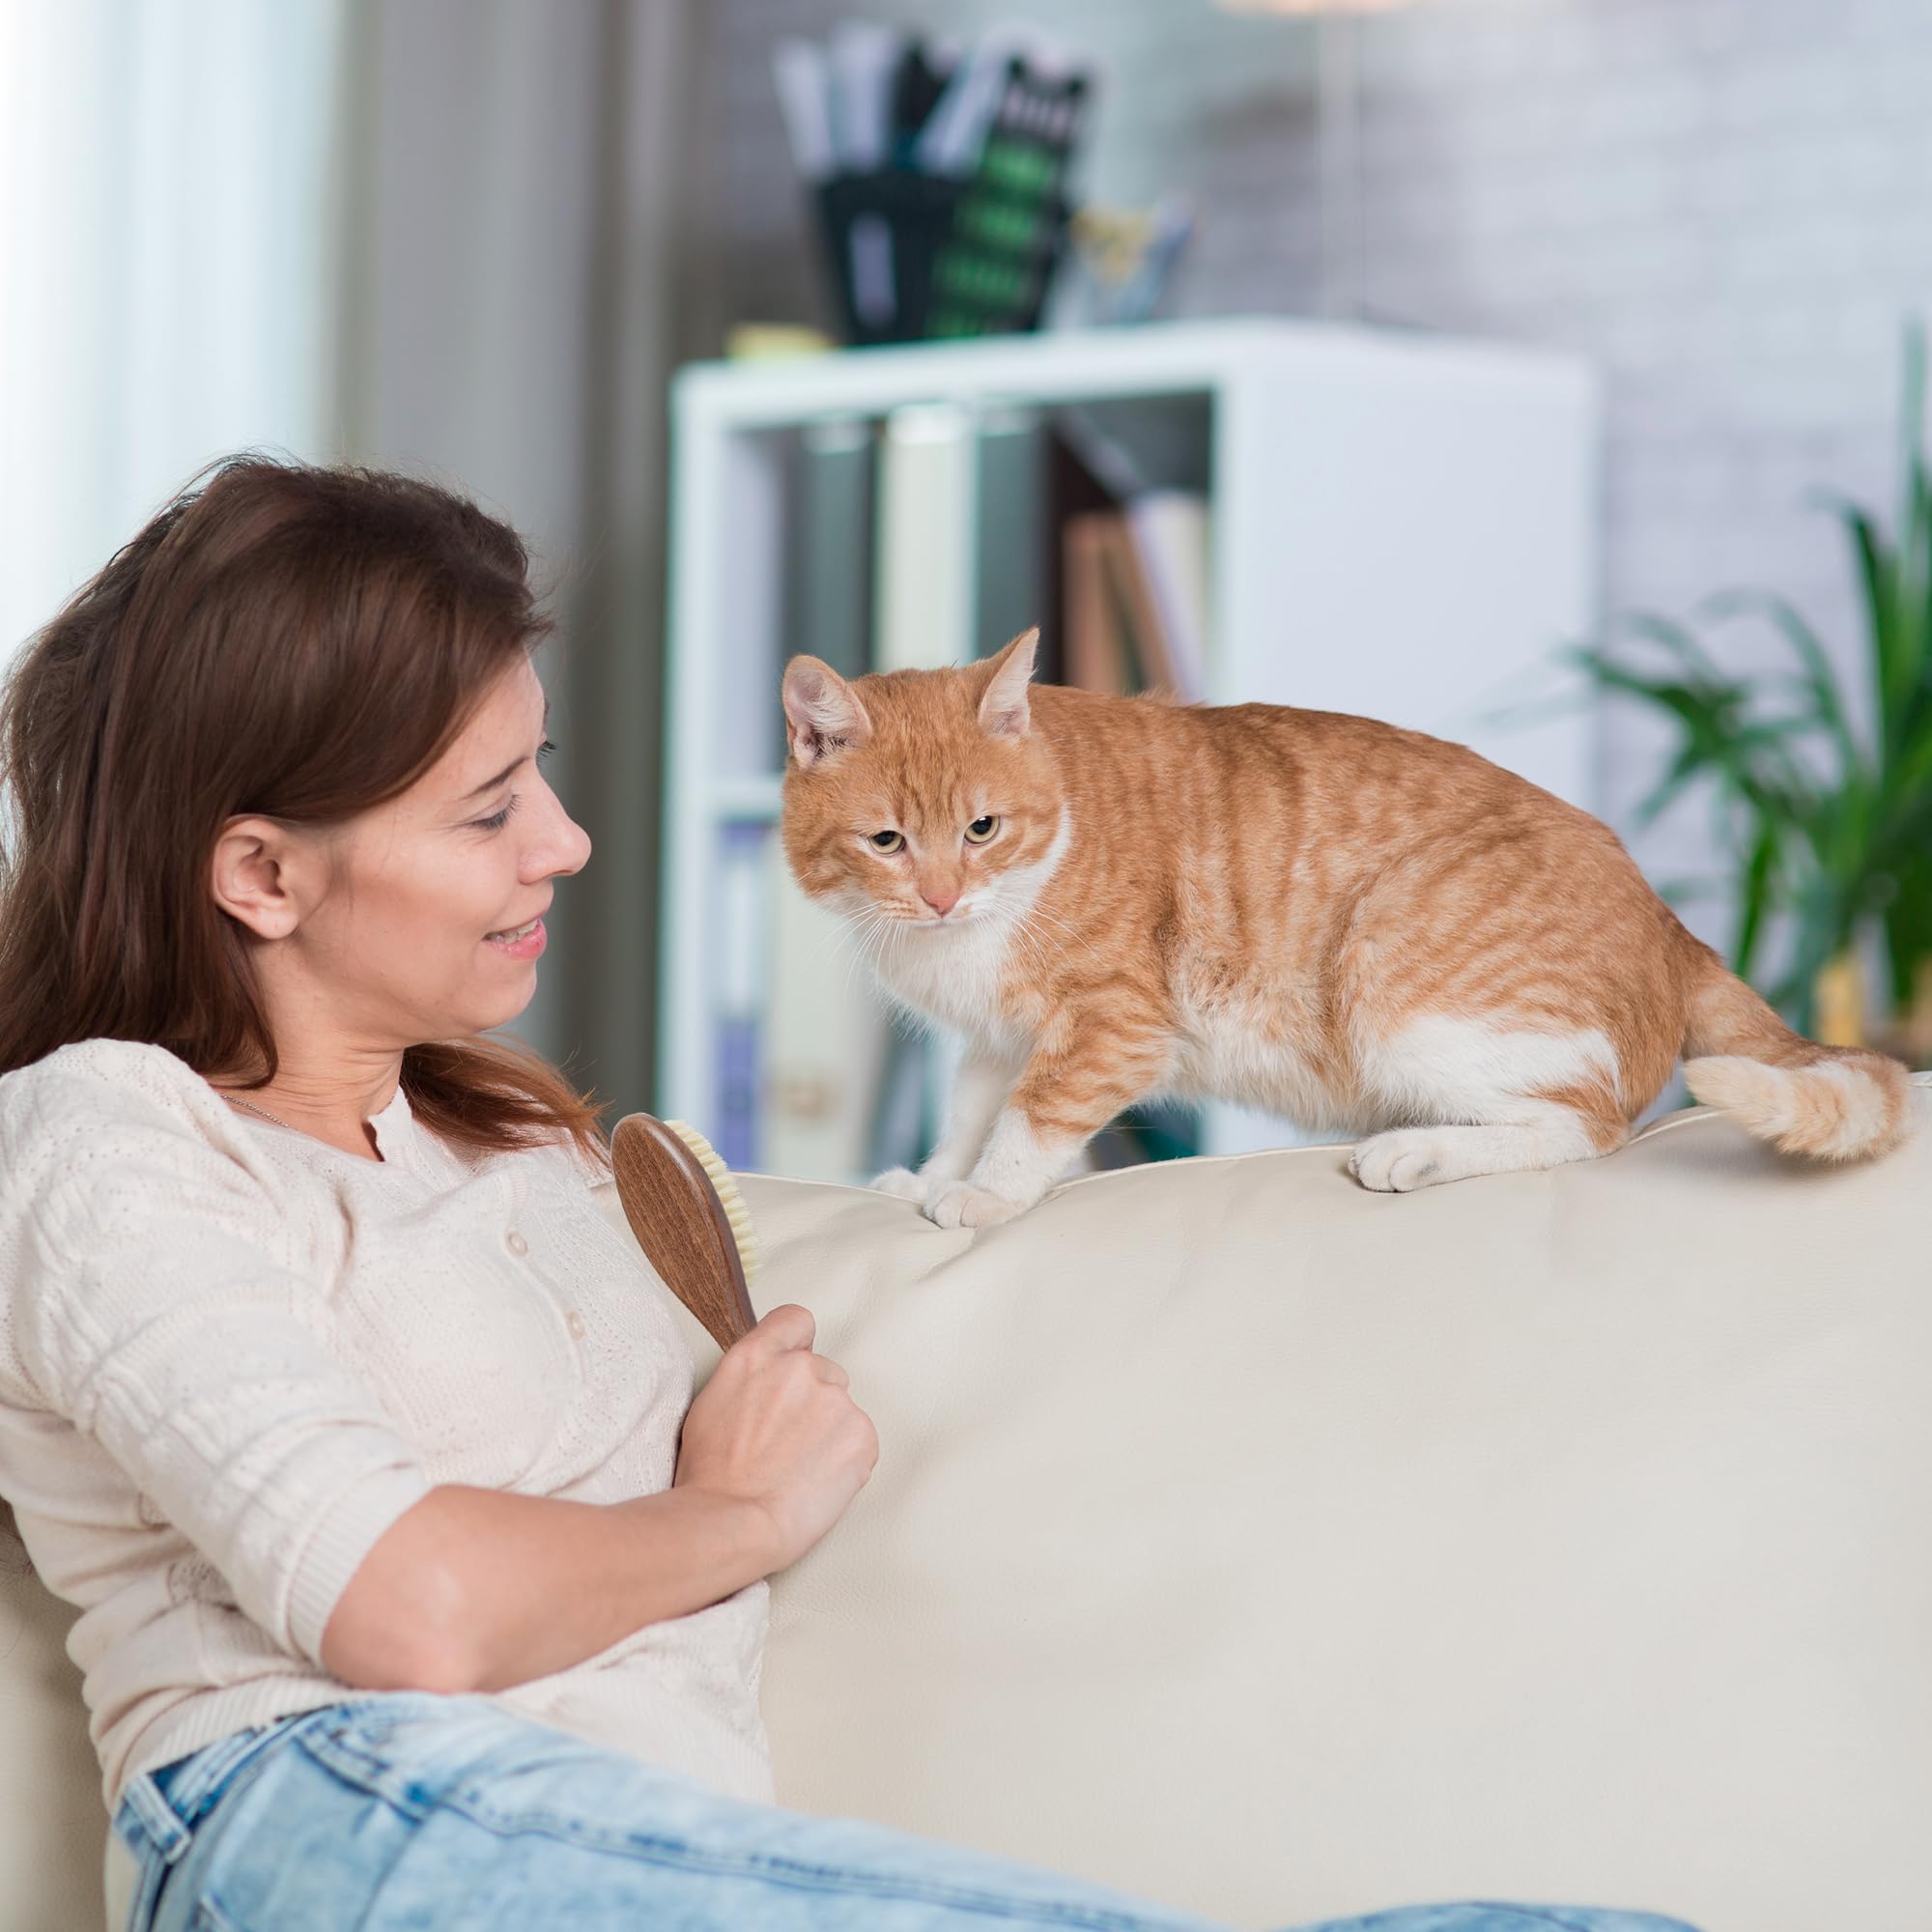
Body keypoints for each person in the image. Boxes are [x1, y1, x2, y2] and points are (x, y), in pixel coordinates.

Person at [0, 459, 1701, 1932]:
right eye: (492, 807)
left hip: (649, 1841)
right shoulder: (113, 1138)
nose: (570, 844)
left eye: (549, 776)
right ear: (261, 873)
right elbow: (407, 1609)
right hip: (339, 1822)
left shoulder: (544, 1155)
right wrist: (735, 1515)